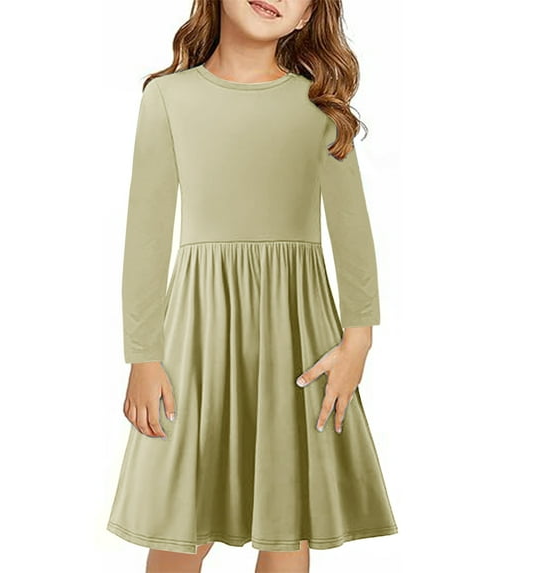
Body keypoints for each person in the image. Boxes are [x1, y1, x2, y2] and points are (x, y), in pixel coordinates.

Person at [106, 1, 398, 571]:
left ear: (308, 16)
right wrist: (142, 356)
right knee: (182, 519)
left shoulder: (318, 106)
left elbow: (352, 232)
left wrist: (358, 341)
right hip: (198, 334)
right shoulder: (167, 98)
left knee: (288, 521)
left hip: (298, 332)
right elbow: (145, 236)